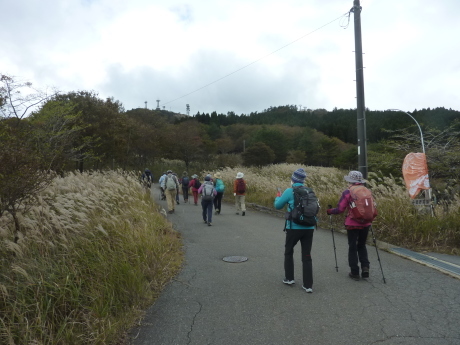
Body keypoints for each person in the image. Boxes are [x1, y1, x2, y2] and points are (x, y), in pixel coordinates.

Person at [274, 168, 315, 293]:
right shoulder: (309, 191)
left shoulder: (289, 191)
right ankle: (308, 285)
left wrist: (278, 197)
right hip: (309, 227)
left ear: (293, 179)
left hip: (294, 227)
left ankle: (289, 278)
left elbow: (278, 206)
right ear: (303, 180)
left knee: (289, 252)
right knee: (307, 255)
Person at [327, 170, 372, 281]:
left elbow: (340, 209)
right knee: (361, 245)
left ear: (350, 181)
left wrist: (330, 211)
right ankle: (365, 267)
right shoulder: (367, 191)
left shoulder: (348, 192)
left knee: (352, 247)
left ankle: (354, 272)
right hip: (366, 222)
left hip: (352, 223)